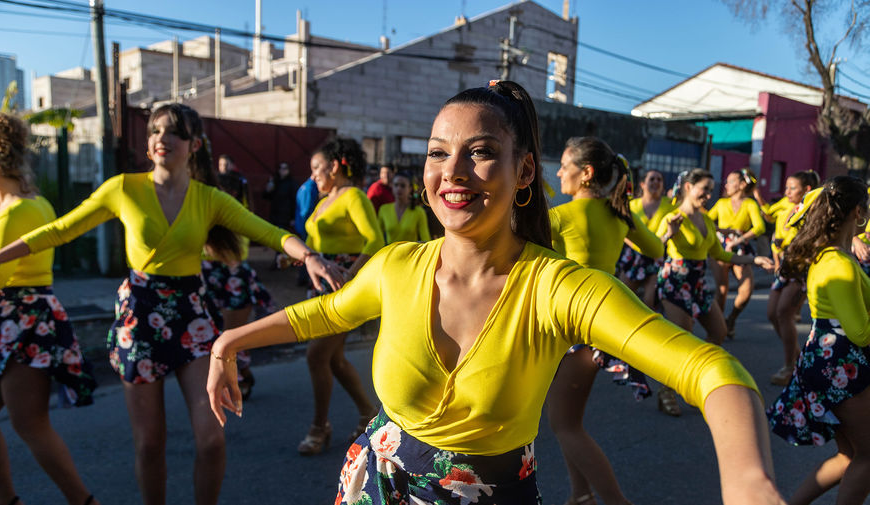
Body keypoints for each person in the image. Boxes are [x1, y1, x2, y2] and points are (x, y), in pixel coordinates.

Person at [207, 81, 784, 505]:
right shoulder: (395, 265)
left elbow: (709, 368)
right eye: (438, 152)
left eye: (480, 153)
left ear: (526, 171)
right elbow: (328, 311)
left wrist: (749, 483)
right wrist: (229, 341)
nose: (452, 172)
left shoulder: (555, 288)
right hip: (373, 484)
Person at [0, 103, 343, 505]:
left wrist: (308, 255)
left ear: (194, 145)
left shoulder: (208, 198)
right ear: (148, 145)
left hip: (192, 316)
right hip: (140, 318)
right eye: (155, 131)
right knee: (150, 445)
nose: (161, 139)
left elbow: (268, 231)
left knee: (212, 440)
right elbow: (61, 230)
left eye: (174, 132)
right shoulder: (123, 189)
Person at [0, 112, 100, 505]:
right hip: (6, 327)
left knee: (30, 424)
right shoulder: (23, 205)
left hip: (23, 324)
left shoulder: (20, 211)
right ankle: (4, 499)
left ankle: (83, 501)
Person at [547, 137, 667, 505]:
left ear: (585, 174)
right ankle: (580, 494)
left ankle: (616, 501)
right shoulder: (619, 217)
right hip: (602, 327)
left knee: (565, 426)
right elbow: (657, 249)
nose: (558, 172)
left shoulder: (560, 217)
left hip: (570, 332)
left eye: (564, 166)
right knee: (569, 421)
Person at [768, 175, 870, 505]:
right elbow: (860, 332)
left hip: (826, 362)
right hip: (840, 365)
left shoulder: (830, 255)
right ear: (857, 213)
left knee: (849, 456)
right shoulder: (838, 263)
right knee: (868, 457)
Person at [656, 169, 773, 417]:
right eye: (704, 189)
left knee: (718, 333)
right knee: (683, 340)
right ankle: (667, 390)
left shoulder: (706, 219)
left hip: (697, 283)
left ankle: (690, 380)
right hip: (676, 281)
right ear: (688, 187)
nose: (708, 194)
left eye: (711, 189)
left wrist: (754, 259)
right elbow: (656, 246)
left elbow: (720, 255)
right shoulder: (672, 217)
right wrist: (669, 234)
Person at [296, 137, 384, 455]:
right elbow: (314, 241)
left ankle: (320, 427)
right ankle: (368, 413)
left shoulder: (353, 196)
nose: (313, 176)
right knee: (333, 359)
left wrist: (349, 274)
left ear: (334, 166)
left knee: (316, 355)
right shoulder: (323, 201)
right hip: (320, 283)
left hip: (342, 286)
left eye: (318, 169)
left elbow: (375, 241)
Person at [201, 153, 279, 400]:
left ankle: (242, 372)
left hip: (233, 277)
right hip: (207, 277)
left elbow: (239, 249)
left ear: (232, 194)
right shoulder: (206, 213)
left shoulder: (238, 215)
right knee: (212, 333)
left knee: (232, 334)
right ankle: (233, 376)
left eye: (222, 190)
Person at [753, 171, 819, 386]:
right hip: (783, 266)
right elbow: (770, 218)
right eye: (787, 187)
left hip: (801, 267)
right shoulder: (784, 204)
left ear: (806, 190)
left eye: (792, 188)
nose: (787, 192)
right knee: (772, 313)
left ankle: (790, 367)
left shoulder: (813, 211)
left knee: (784, 313)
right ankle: (799, 361)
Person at [706, 168, 766, 338]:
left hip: (741, 246)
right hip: (721, 246)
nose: (726, 184)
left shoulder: (750, 204)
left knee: (747, 290)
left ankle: (731, 318)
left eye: (731, 181)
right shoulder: (721, 204)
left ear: (741, 185)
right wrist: (723, 230)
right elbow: (707, 222)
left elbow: (760, 227)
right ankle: (718, 330)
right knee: (722, 290)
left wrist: (739, 239)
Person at [616, 169, 676, 309]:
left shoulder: (671, 205)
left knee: (650, 302)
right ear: (642, 184)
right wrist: (638, 246)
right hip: (634, 256)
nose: (656, 182)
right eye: (652, 179)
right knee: (621, 297)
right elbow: (622, 230)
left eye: (659, 179)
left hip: (659, 256)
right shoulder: (632, 205)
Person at [377, 171, 431, 244]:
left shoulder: (419, 211)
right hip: (390, 254)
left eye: (403, 186)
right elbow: (377, 237)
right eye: (396, 185)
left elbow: (426, 240)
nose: (399, 188)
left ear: (410, 188)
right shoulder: (384, 209)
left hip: (411, 254)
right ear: (392, 187)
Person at [263, 162, 299, 231]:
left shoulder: (292, 183)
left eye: (285, 168)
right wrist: (268, 190)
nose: (283, 170)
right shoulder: (275, 181)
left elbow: (295, 201)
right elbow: (266, 197)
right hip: (274, 216)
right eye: (281, 168)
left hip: (285, 218)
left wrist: (293, 218)